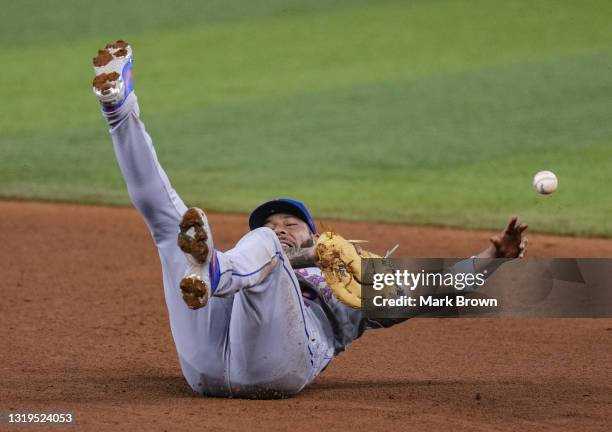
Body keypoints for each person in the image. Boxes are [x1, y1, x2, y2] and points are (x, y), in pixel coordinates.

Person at [92, 41, 528, 399]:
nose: (280, 227)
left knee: (246, 251)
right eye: (273, 222)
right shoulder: (259, 252)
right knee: (172, 232)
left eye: (291, 223)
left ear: (316, 235)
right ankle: (120, 111)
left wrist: (493, 256)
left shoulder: (349, 276)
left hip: (279, 367)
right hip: (204, 367)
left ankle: (215, 270)